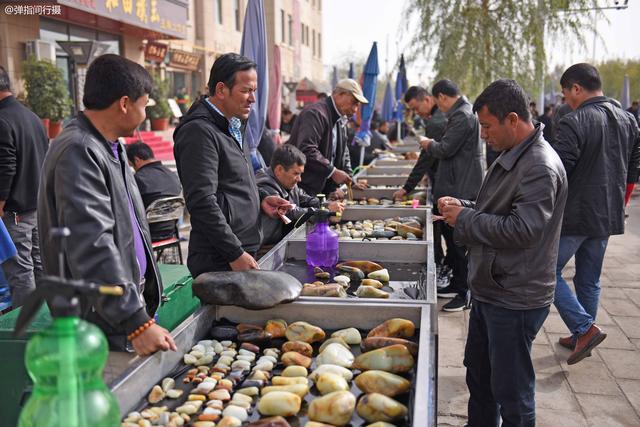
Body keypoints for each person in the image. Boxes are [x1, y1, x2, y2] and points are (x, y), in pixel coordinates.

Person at [439, 78, 567, 427]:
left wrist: (465, 218)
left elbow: (523, 230)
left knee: (512, 392)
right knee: (480, 377)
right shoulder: (513, 153)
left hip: (515, 295)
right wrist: (463, 206)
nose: (483, 135)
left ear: (513, 119)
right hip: (492, 287)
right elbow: (496, 209)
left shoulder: (539, 165)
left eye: (487, 126)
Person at [38, 54, 176, 357]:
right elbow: (91, 243)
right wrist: (134, 321)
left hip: (116, 311)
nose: (146, 114)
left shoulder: (109, 145)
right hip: (98, 321)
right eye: (145, 105)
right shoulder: (79, 150)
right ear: (124, 104)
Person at [551, 63, 640, 365]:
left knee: (545, 271)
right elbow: (633, 167)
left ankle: (584, 329)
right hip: (608, 211)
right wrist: (623, 201)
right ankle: (580, 336)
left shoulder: (574, 121)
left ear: (576, 88)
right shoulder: (628, 120)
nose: (566, 101)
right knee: (588, 280)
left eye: (566, 94)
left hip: (577, 214)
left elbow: (559, 171)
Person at [173, 53, 291, 277]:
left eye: (254, 91)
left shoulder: (235, 123)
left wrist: (259, 199)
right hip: (220, 258)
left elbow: (234, 181)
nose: (252, 99)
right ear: (220, 90)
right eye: (246, 90)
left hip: (243, 248)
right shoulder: (199, 131)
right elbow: (201, 201)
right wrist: (233, 253)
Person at [418, 79, 483, 311]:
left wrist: (427, 144)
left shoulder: (462, 116)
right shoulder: (461, 114)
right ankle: (457, 284)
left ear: (442, 97)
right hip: (456, 183)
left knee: (459, 243)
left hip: (460, 187)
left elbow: (445, 148)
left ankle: (465, 293)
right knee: (453, 241)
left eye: (438, 102)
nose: (439, 107)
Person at [0, 65, 48, 308]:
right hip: (37, 207)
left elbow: (6, 167)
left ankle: (25, 333)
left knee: (20, 272)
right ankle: (44, 323)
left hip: (15, 212)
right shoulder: (32, 117)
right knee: (39, 266)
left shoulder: (2, 119)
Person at [393, 86, 449, 284]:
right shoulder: (438, 118)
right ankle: (448, 270)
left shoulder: (436, 122)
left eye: (417, 108)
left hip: (446, 182)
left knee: (448, 231)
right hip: (442, 178)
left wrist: (407, 188)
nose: (417, 113)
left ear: (427, 99)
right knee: (446, 230)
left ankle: (449, 275)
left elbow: (426, 158)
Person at [287, 78, 368, 197]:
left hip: (321, 190)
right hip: (304, 188)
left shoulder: (340, 119)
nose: (355, 109)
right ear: (340, 95)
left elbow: (343, 153)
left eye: (358, 105)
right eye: (354, 102)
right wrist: (333, 172)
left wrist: (349, 180)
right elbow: (306, 149)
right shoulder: (316, 113)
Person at [256, 144, 344, 245]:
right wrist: (325, 213)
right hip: (267, 248)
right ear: (279, 169)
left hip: (281, 240)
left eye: (300, 174)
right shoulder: (265, 185)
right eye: (296, 173)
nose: (299, 179)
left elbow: (305, 199)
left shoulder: (287, 182)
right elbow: (290, 212)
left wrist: (326, 205)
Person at [125, 141, 182, 241]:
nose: (133, 169)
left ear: (137, 160)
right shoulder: (172, 174)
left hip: (146, 235)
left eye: (132, 165)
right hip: (171, 232)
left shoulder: (138, 179)